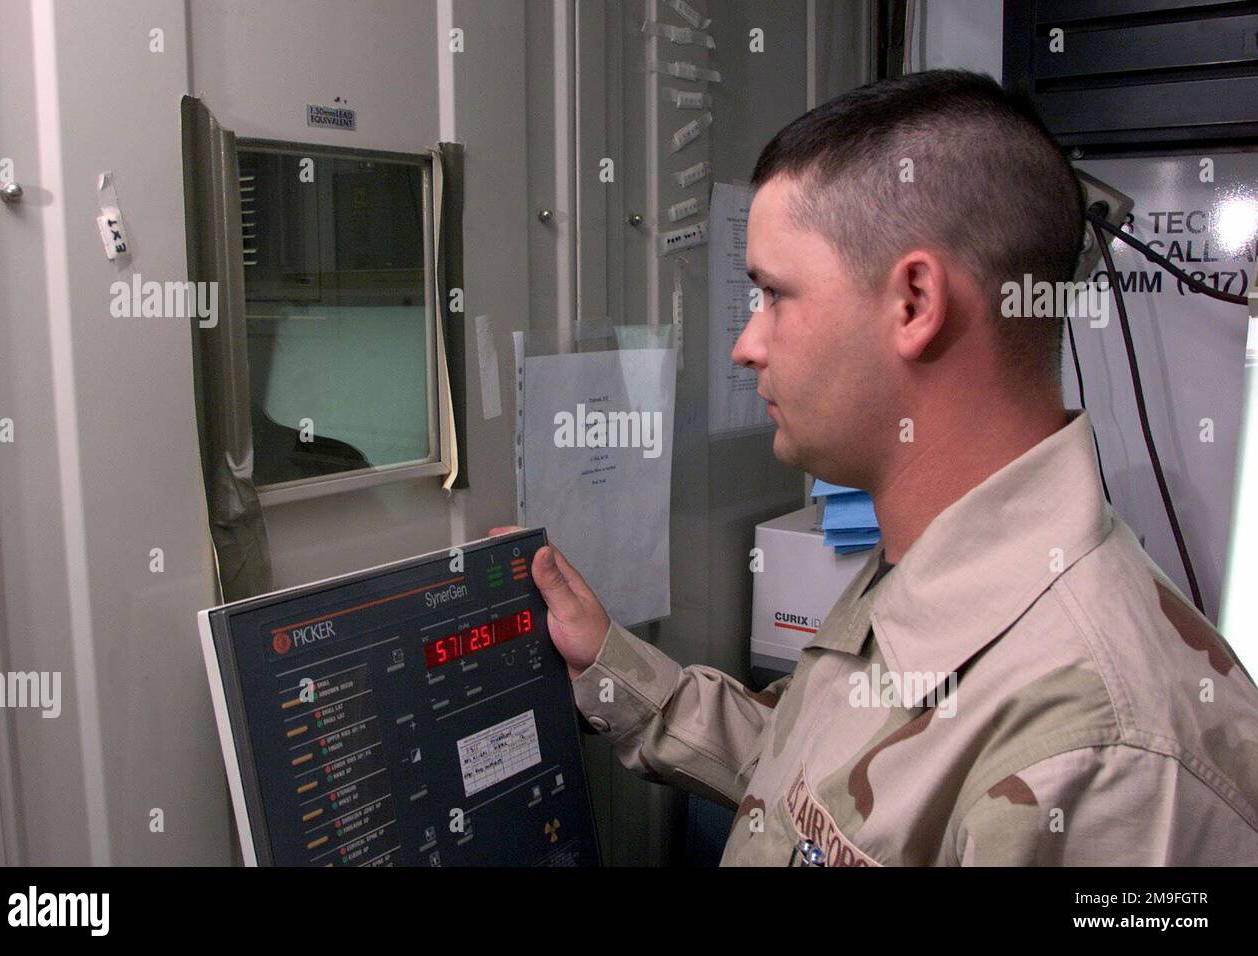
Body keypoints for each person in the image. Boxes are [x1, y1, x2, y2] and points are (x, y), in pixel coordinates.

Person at [494, 70, 1258, 865]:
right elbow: (818, 772)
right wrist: (608, 665)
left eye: (773, 294)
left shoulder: (1109, 760)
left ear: (915, 303)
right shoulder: (937, 563)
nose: (746, 344)